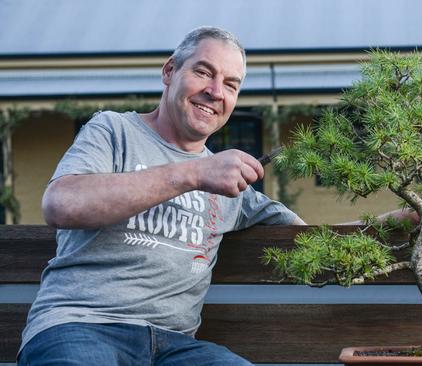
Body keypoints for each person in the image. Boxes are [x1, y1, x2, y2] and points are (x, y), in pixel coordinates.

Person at [18, 26, 305, 366]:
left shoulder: (232, 188)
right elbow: (61, 204)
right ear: (169, 71)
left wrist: (380, 224)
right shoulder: (112, 130)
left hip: (176, 348)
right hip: (81, 326)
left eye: (231, 84)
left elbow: (317, 239)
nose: (215, 92)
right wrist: (195, 173)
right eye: (203, 72)